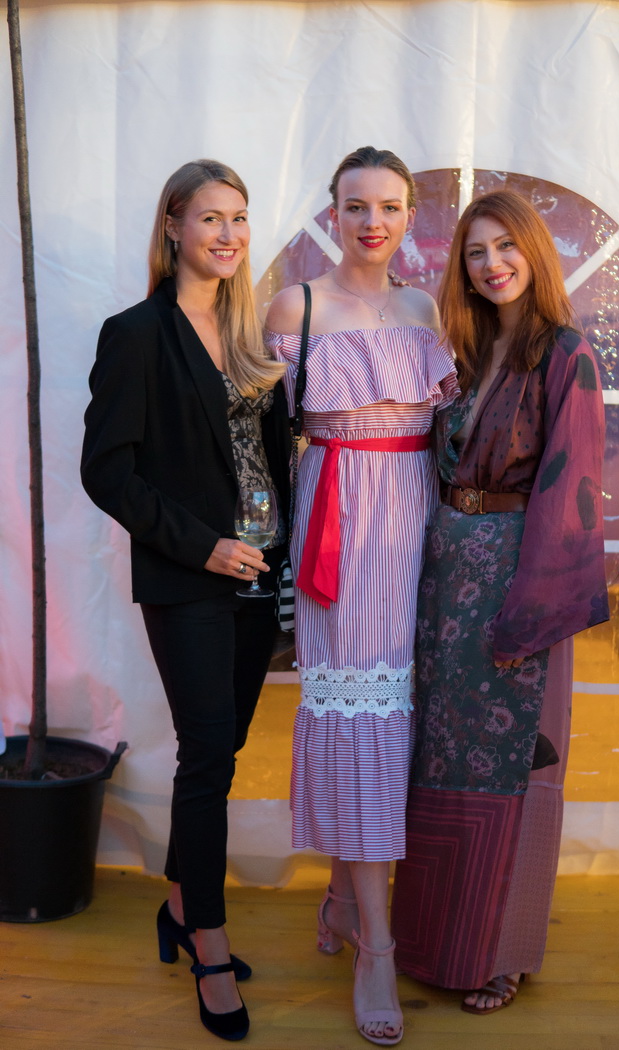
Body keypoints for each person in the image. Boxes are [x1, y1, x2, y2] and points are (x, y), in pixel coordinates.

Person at [81, 159, 290, 1042]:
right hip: (190, 577)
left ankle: (177, 901)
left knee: (222, 751)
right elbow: (106, 471)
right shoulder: (136, 333)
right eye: (210, 218)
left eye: (238, 218)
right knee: (206, 756)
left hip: (261, 576)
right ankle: (208, 941)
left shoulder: (250, 332)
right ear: (172, 226)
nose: (228, 234)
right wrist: (201, 544)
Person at [391, 190, 610, 1014]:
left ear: (534, 252)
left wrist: (533, 609)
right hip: (446, 580)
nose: (491, 265)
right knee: (443, 761)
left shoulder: (567, 353)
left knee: (513, 768)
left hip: (520, 582)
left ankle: (499, 953)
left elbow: (572, 488)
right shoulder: (468, 352)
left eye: (505, 246)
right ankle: (434, 941)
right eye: (476, 252)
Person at [264, 146, 457, 1046]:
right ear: (332, 213)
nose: (371, 221)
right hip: (338, 523)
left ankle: (345, 899)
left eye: (388, 206)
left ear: (409, 216)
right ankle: (376, 948)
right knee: (359, 716)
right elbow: (257, 436)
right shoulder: (294, 307)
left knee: (394, 716)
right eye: (355, 206)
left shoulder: (424, 310)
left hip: (415, 520)